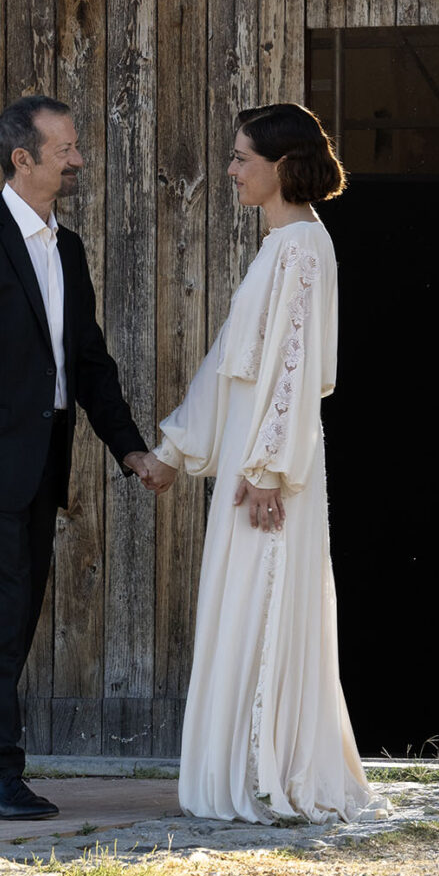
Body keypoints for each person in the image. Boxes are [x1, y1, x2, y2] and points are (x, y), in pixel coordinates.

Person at [0, 94, 175, 821]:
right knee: (4, 618)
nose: (78, 160)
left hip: (41, 464)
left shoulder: (69, 248)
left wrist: (129, 446)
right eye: (65, 149)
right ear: (22, 158)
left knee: (12, 615)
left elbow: (88, 361)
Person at [149, 104, 376, 823]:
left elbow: (293, 369)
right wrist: (175, 448)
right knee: (244, 600)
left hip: (270, 470)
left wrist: (269, 469)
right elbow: (232, 359)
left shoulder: (302, 247)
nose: (230, 170)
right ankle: (248, 765)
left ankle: (264, 769)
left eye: (242, 158)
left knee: (264, 600)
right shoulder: (280, 246)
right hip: (254, 459)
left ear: (282, 166)